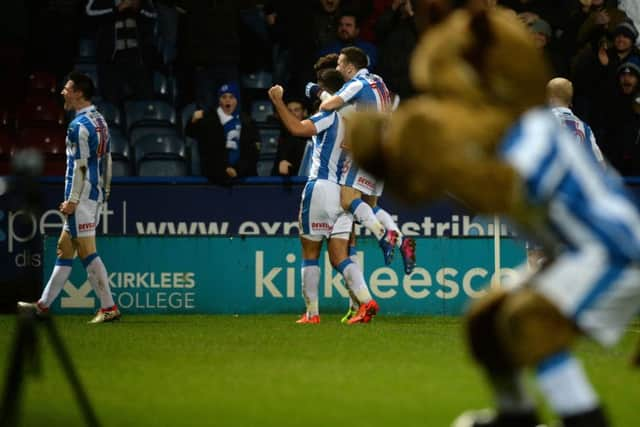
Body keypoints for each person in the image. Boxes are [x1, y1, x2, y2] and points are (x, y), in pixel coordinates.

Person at [346, 8, 640, 427]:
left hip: (609, 250)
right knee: (488, 321)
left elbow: (500, 185)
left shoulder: (533, 133)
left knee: (530, 322)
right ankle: (515, 414)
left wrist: (429, 166)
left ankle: (585, 419)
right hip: (571, 251)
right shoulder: (510, 134)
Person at [268, 70, 379, 325]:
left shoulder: (330, 115)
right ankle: (366, 301)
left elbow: (297, 128)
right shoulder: (355, 119)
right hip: (345, 193)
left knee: (310, 252)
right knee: (341, 255)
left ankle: (312, 313)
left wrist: (277, 102)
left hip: (321, 187)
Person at [18, 72, 120, 324]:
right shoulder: (99, 120)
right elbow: (107, 158)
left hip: (82, 197)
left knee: (87, 252)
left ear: (78, 93)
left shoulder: (78, 127)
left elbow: (80, 167)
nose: (62, 92)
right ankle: (42, 306)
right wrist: (105, 190)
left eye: (67, 88)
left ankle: (108, 307)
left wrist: (74, 199)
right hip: (92, 194)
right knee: (65, 249)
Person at [317, 46, 417, 277]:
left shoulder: (356, 84)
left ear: (351, 67)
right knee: (370, 206)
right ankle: (400, 240)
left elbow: (327, 105)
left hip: (366, 147)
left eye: (340, 64)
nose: (338, 68)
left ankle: (384, 235)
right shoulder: (378, 80)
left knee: (347, 199)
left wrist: (318, 93)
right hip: (385, 148)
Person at [185, 82, 260, 183]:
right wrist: (193, 120)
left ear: (237, 100)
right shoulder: (209, 120)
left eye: (231, 97)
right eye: (224, 97)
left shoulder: (248, 122)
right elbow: (191, 133)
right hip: (214, 180)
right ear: (219, 100)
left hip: (243, 179)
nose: (227, 100)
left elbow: (252, 153)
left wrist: (237, 170)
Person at [86, 0, 156, 104]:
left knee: (145, 98)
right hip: (111, 58)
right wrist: (118, 8)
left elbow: (152, 15)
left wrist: (138, 8)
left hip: (136, 57)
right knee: (111, 100)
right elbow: (89, 12)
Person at [271, 99, 309, 176]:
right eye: (289, 111)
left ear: (304, 113)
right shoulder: (284, 135)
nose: (292, 114)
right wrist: (283, 160)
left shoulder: (312, 134)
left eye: (296, 110)